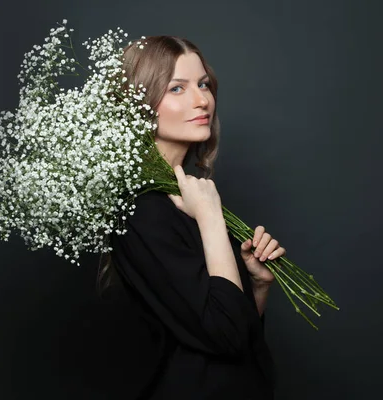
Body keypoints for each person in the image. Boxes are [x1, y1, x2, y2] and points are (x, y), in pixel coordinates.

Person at [99, 36, 285, 400]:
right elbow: (225, 336)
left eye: (203, 85)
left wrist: (258, 286)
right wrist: (211, 218)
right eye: (177, 88)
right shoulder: (141, 208)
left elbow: (234, 334)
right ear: (139, 101)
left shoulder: (187, 195)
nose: (202, 100)